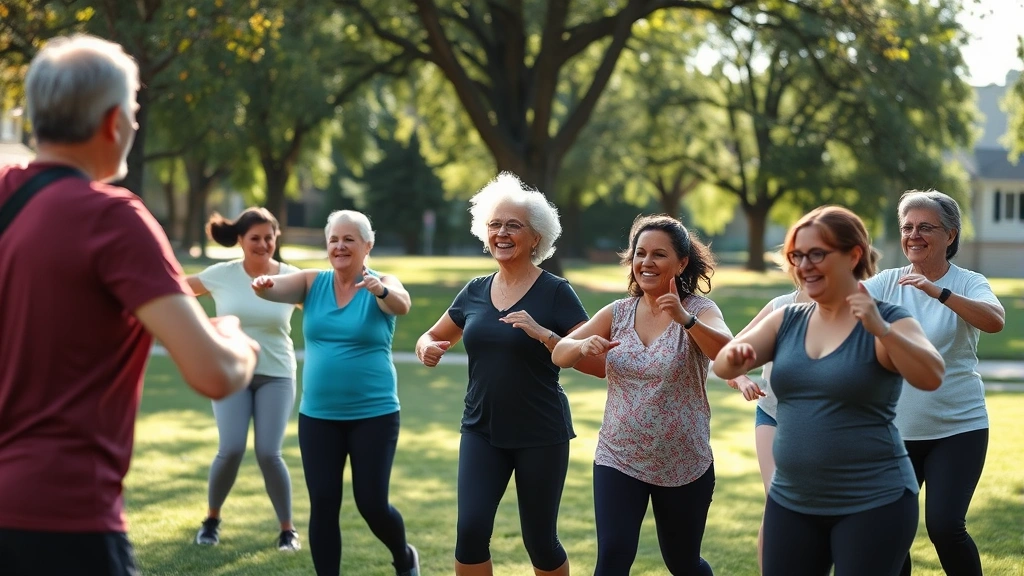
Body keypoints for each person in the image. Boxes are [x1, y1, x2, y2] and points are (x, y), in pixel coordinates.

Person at [0, 34, 258, 576]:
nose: (137, 127)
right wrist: (237, 340)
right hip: (63, 521)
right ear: (114, 121)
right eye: (136, 112)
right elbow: (212, 373)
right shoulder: (112, 218)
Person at [712, 205, 945, 576]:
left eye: (816, 254)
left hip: (873, 501)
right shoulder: (785, 319)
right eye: (797, 256)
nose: (804, 265)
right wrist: (734, 358)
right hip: (791, 501)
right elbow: (722, 363)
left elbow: (931, 375)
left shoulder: (887, 318)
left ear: (853, 255)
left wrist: (880, 329)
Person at [415, 172, 604, 576]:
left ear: (536, 237)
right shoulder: (474, 290)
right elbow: (432, 334)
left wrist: (547, 336)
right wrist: (425, 347)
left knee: (539, 541)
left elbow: (596, 363)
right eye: (494, 224)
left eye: (513, 225)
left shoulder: (556, 293)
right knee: (470, 532)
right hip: (481, 429)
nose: (501, 233)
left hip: (540, 433)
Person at [552, 214, 741, 576]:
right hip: (619, 457)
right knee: (613, 559)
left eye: (658, 254)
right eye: (640, 254)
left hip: (684, 463)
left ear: (681, 262)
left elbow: (727, 353)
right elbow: (559, 353)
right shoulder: (618, 312)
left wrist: (685, 319)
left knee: (683, 563)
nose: (646, 263)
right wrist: (579, 347)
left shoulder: (700, 310)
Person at [251, 210, 419, 576]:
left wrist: (381, 289)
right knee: (324, 505)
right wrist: (264, 283)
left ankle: (404, 558)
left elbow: (402, 304)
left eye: (349, 239)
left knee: (372, 504)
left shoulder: (382, 282)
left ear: (367, 245)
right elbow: (278, 287)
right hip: (319, 416)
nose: (340, 246)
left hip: (374, 414)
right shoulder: (313, 283)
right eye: (333, 240)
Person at [862, 190, 1004, 576]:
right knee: (890, 533)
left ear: (950, 235)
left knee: (944, 527)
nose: (914, 235)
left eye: (926, 227)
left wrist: (938, 292)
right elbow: (834, 303)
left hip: (958, 428)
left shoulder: (968, 281)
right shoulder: (886, 283)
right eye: (907, 227)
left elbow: (994, 320)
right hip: (894, 432)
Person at [188, 208, 302, 551]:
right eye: (255, 238)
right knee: (232, 448)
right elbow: (173, 292)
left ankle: (287, 530)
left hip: (277, 374)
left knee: (269, 452)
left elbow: (330, 301)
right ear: (240, 240)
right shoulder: (221, 275)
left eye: (269, 237)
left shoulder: (292, 278)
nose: (263, 244)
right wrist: (204, 328)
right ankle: (211, 520)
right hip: (232, 373)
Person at [726, 287, 807, 574]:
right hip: (773, 414)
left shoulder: (853, 308)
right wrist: (743, 380)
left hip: (821, 427)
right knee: (777, 501)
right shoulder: (780, 306)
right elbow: (728, 354)